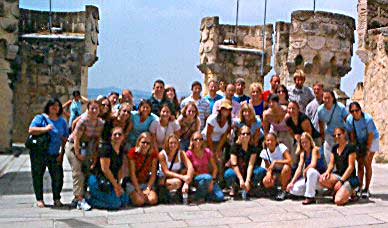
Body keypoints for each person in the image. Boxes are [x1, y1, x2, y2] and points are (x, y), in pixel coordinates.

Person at [28, 98, 68, 208]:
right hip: (39, 153)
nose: (55, 108)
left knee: (58, 177)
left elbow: (65, 139)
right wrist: (45, 129)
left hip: (55, 153)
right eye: (52, 106)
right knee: (38, 175)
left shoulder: (62, 121)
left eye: (57, 106)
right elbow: (31, 130)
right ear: (48, 107)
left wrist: (62, 153)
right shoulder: (40, 118)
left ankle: (56, 198)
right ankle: (39, 199)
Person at [65, 100, 104, 211]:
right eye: (92, 108)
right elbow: (76, 138)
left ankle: (80, 194)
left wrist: (94, 156)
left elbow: (96, 140)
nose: (94, 111)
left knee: (87, 171)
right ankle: (79, 198)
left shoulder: (100, 123)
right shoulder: (83, 121)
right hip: (74, 146)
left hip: (86, 147)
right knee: (77, 172)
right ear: (88, 109)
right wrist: (77, 153)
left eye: (97, 108)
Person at [87, 127, 129, 209]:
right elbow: (105, 170)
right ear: (111, 137)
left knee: (125, 200)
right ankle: (90, 199)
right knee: (115, 204)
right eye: (115, 134)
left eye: (119, 134)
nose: (117, 136)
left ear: (123, 137)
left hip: (110, 181)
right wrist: (116, 186)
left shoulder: (121, 149)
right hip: (99, 181)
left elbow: (120, 168)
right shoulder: (106, 149)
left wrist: (119, 185)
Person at [346, 102, 379, 198]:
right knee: (360, 163)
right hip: (359, 141)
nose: (355, 113)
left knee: (367, 162)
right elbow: (352, 135)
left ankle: (366, 188)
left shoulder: (368, 119)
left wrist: (367, 150)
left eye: (357, 110)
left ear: (360, 110)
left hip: (372, 140)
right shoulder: (349, 120)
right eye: (352, 111)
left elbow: (371, 135)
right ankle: (360, 187)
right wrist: (355, 149)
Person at [319, 127, 359, 206]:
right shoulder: (335, 148)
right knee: (322, 179)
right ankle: (339, 190)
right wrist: (327, 172)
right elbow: (331, 163)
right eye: (335, 135)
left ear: (344, 134)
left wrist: (341, 181)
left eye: (339, 134)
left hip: (349, 178)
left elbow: (350, 167)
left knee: (338, 201)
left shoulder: (350, 147)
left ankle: (352, 191)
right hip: (339, 175)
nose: (337, 137)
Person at [286, 132, 326, 204]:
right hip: (309, 178)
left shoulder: (315, 149)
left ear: (310, 142)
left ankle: (310, 197)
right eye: (302, 143)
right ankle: (312, 191)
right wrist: (292, 182)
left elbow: (313, 164)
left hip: (320, 178)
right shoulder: (302, 154)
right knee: (293, 189)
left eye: (306, 142)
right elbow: (299, 168)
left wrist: (305, 170)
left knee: (310, 171)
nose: (304, 144)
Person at [224, 126, 263, 199]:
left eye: (248, 134)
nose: (246, 135)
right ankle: (234, 186)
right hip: (237, 172)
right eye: (243, 133)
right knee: (228, 174)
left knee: (261, 171)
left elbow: (250, 165)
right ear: (239, 135)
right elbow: (234, 165)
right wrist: (241, 179)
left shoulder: (253, 148)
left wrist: (247, 180)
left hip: (248, 172)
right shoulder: (234, 147)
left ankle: (250, 186)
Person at [186, 132, 224, 202]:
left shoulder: (207, 151)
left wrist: (212, 182)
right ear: (192, 141)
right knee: (206, 178)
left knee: (220, 197)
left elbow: (215, 168)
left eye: (200, 139)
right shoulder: (189, 153)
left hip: (209, 178)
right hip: (196, 178)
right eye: (196, 139)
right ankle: (199, 196)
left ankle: (202, 196)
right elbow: (189, 170)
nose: (198, 141)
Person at [158, 134, 194, 203]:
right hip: (164, 178)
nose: (173, 145)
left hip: (177, 176)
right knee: (177, 182)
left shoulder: (181, 153)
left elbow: (190, 167)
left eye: (175, 143)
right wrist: (183, 177)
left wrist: (186, 182)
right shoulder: (162, 154)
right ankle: (168, 195)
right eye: (171, 143)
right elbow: (166, 172)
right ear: (167, 144)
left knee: (186, 172)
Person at [257, 133, 292, 201]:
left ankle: (283, 189)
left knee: (286, 167)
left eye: (272, 140)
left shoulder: (281, 147)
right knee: (266, 181)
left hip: (284, 171)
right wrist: (268, 175)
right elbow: (268, 167)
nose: (270, 142)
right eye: (268, 140)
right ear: (265, 141)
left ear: (276, 140)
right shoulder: (264, 152)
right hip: (274, 172)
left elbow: (289, 160)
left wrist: (276, 161)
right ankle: (274, 190)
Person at [126, 132, 159, 206]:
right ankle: (135, 196)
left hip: (145, 182)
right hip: (134, 183)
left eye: (148, 143)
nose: (145, 145)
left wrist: (148, 188)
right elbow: (132, 173)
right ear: (138, 142)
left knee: (153, 200)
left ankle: (143, 197)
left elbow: (153, 174)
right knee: (139, 201)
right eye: (143, 142)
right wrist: (138, 189)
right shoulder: (132, 152)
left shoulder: (153, 154)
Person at [318, 89, 348, 165]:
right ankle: (331, 172)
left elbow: (347, 121)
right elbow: (321, 123)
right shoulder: (320, 110)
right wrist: (322, 137)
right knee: (328, 156)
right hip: (329, 135)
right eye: (325, 98)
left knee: (341, 156)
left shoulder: (340, 107)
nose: (327, 100)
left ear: (333, 98)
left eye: (329, 97)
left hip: (340, 135)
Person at [202, 100, 232, 175]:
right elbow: (208, 135)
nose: (226, 111)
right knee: (209, 158)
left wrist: (218, 149)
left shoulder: (229, 121)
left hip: (218, 141)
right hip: (206, 141)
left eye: (228, 109)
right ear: (220, 110)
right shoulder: (212, 119)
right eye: (224, 109)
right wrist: (212, 150)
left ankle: (219, 178)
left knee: (219, 159)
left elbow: (224, 136)